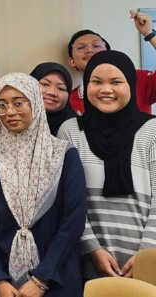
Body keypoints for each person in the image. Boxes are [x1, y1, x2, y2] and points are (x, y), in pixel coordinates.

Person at [0, 73, 87, 297]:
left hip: (56, 278)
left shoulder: (63, 154)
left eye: (18, 103)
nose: (9, 112)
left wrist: (41, 279)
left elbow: (73, 220)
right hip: (3, 282)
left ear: (35, 103)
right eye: (1, 105)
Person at [56, 50, 156, 280]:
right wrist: (92, 249)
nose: (106, 89)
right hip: (90, 260)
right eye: (97, 82)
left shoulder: (152, 131)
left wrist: (146, 254)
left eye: (116, 82)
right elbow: (68, 199)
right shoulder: (70, 131)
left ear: (131, 85)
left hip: (149, 259)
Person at [65, 15, 156, 115]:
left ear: (108, 53)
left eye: (96, 45)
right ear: (72, 61)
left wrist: (149, 34)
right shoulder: (68, 100)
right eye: (81, 47)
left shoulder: (138, 79)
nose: (89, 50)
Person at [30, 62, 76, 136]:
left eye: (61, 88)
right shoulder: (13, 119)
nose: (52, 92)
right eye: (45, 84)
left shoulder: (76, 129)